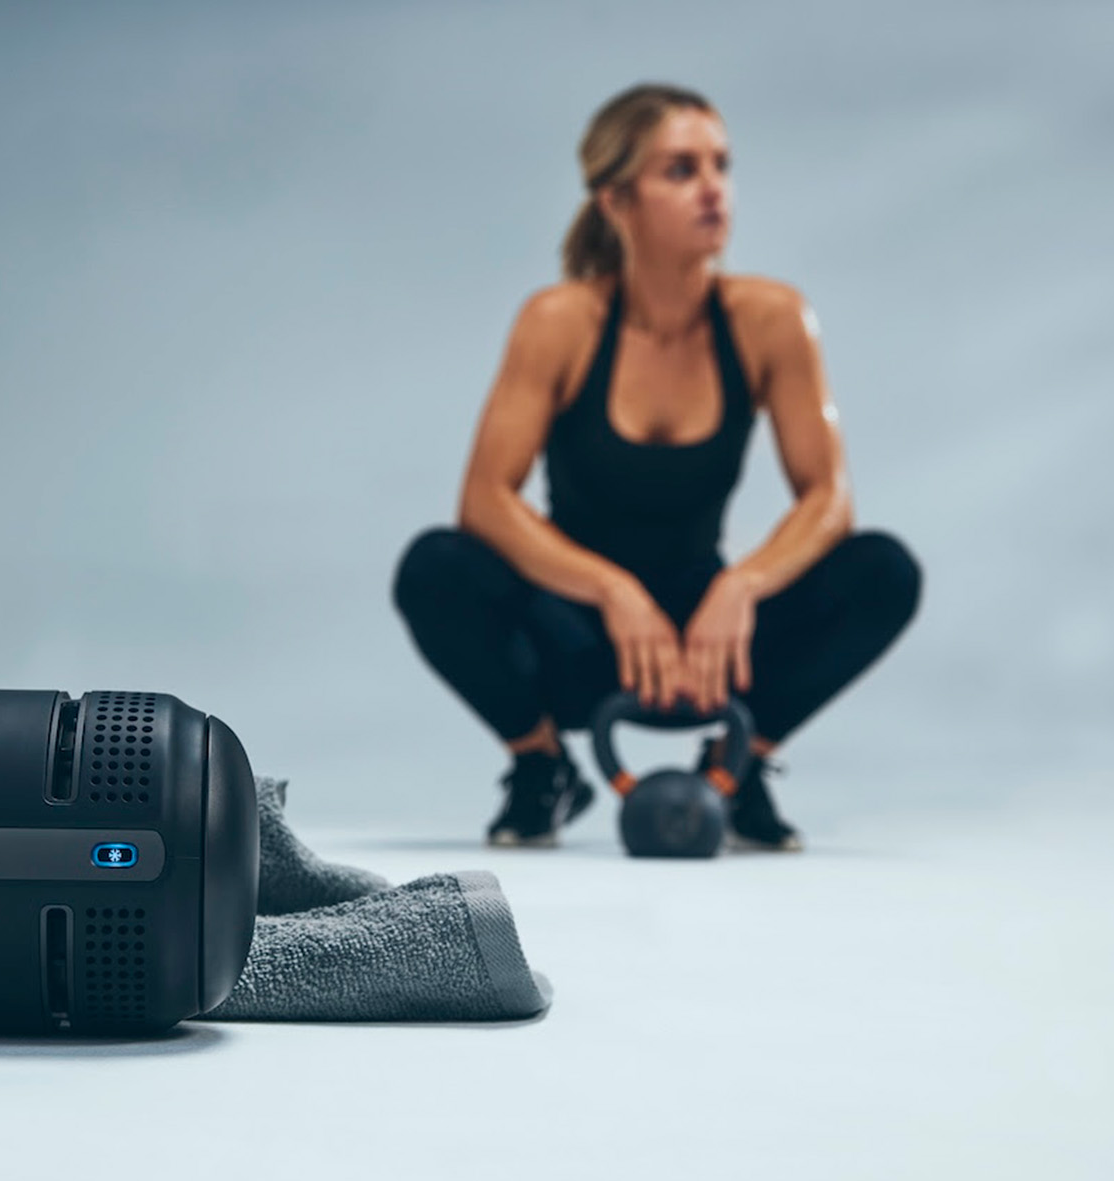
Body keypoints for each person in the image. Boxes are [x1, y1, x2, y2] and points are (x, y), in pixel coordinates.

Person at [392, 83, 922, 850]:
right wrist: (612, 592)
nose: (714, 189)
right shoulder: (560, 323)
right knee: (434, 565)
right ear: (616, 201)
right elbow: (485, 501)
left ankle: (735, 770)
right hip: (578, 637)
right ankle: (543, 769)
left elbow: (829, 498)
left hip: (712, 649)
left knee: (884, 570)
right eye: (681, 170)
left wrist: (742, 585)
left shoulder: (772, 320)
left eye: (722, 165)